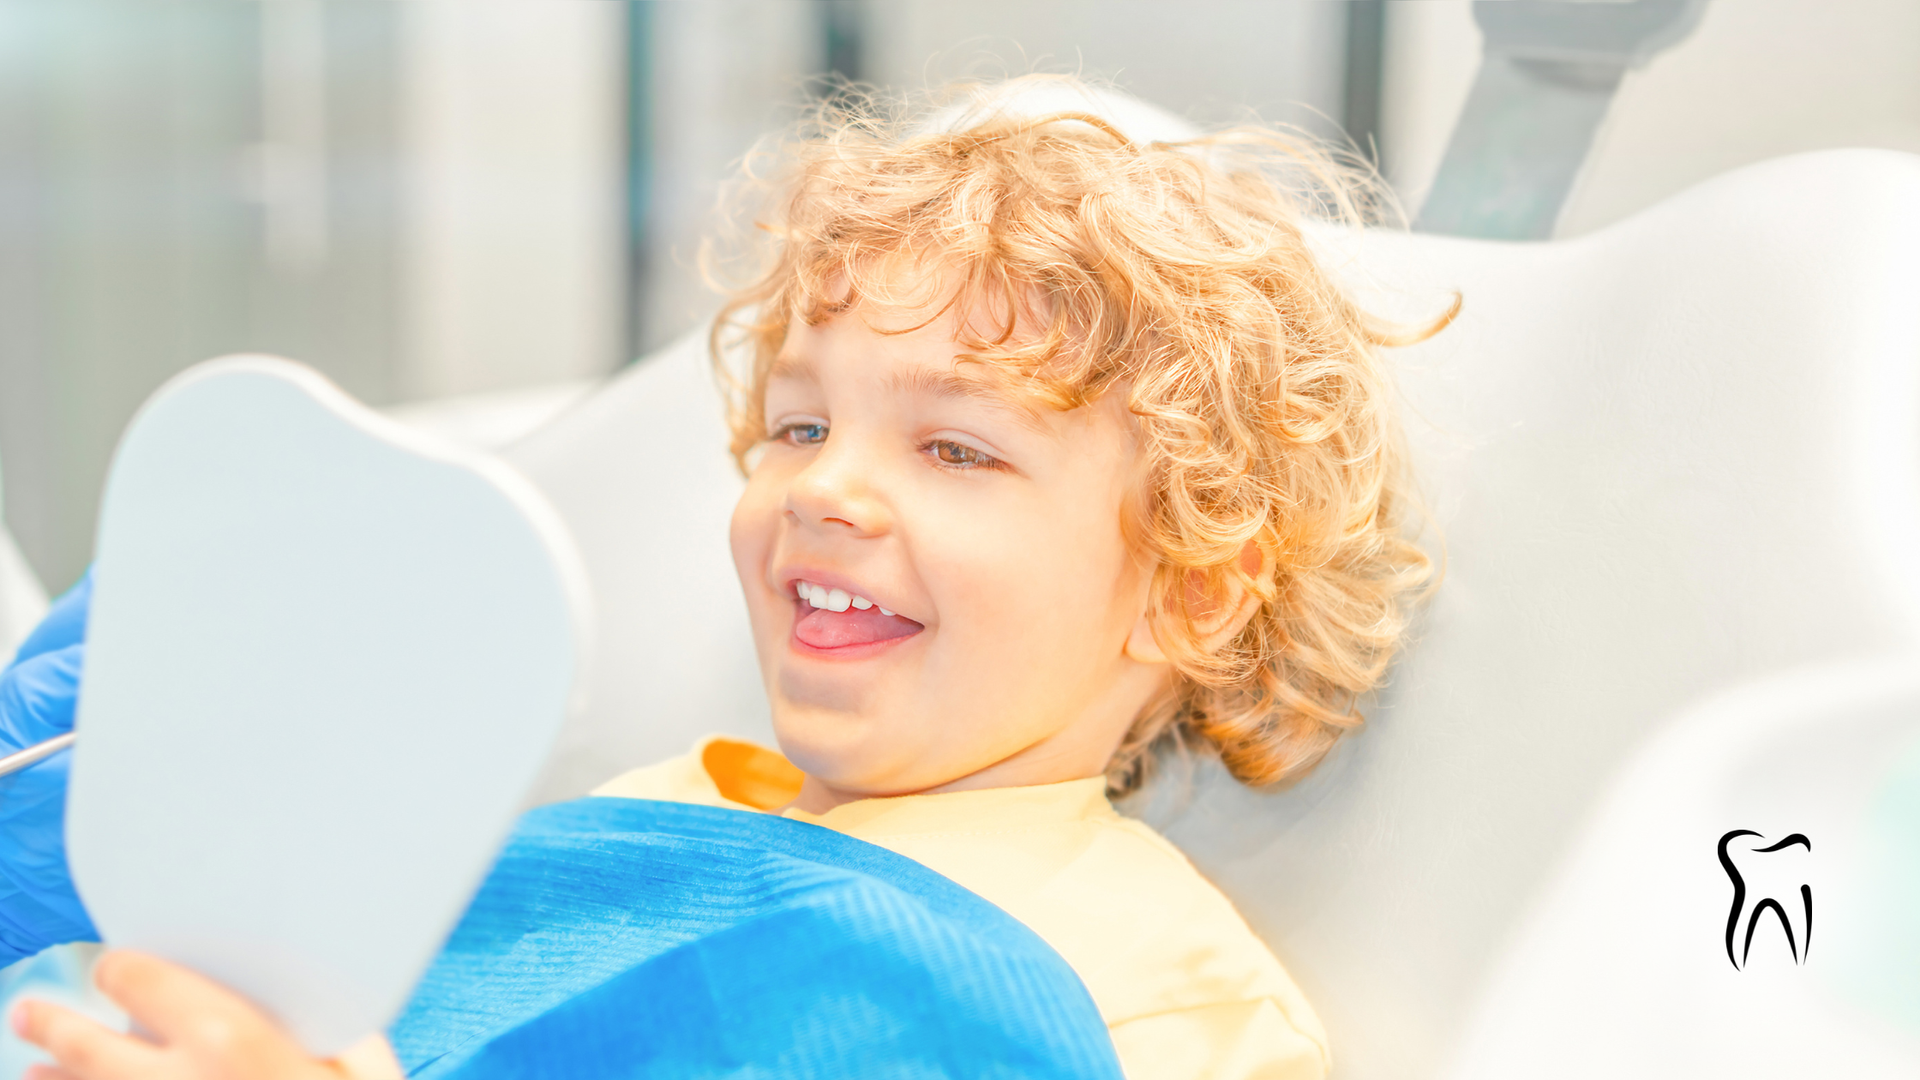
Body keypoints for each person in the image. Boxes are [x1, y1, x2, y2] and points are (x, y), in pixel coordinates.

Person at [7, 75, 1442, 1079]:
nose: (821, 485)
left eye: (955, 449)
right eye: (801, 426)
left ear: (1190, 591)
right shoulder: (645, 821)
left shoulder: (1150, 986)